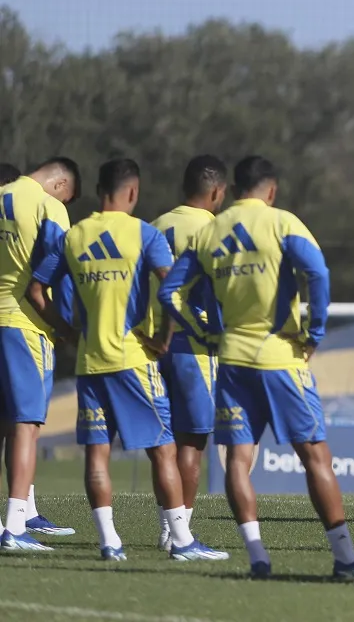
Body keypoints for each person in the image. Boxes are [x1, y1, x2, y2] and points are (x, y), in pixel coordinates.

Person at [159, 155, 354, 580]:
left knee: (238, 461)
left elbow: (171, 292)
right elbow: (317, 271)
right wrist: (314, 332)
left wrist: (204, 333)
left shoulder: (210, 232)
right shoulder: (282, 223)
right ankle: (346, 560)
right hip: (280, 356)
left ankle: (257, 556)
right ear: (271, 189)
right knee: (315, 455)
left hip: (231, 361)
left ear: (234, 188)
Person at [26, 158, 226, 561]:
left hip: (89, 362)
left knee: (98, 453)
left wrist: (66, 331)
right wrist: (162, 338)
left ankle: (109, 541)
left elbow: (36, 290)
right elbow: (172, 288)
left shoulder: (75, 235)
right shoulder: (143, 234)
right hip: (134, 357)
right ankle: (181, 540)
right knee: (164, 449)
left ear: (99, 189)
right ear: (132, 192)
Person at [143, 155, 228, 550]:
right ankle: (181, 535)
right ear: (216, 192)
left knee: (164, 445)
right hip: (195, 346)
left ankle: (167, 527)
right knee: (192, 443)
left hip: (153, 345)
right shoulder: (216, 228)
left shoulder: (155, 225)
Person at [0, 157, 81, 549]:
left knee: (7, 426)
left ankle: (22, 516)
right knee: (27, 426)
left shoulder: (1, 194)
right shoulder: (49, 206)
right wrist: (62, 323)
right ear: (60, 183)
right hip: (25, 325)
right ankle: (14, 528)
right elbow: (59, 270)